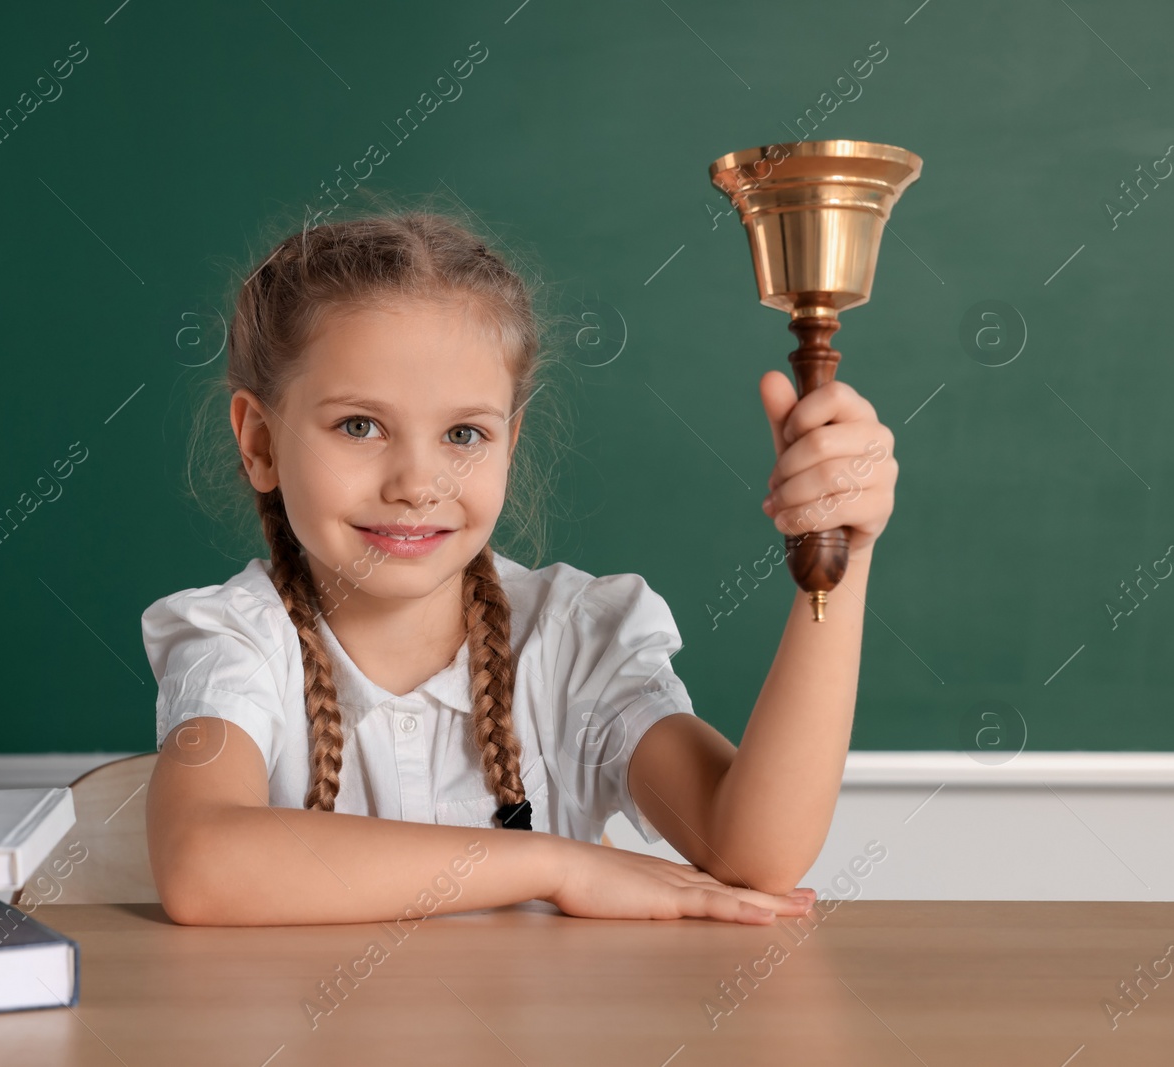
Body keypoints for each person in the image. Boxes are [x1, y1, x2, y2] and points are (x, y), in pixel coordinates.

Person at [141, 208, 897, 927]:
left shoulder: (575, 640)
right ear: (260, 441)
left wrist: (846, 551)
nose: (417, 482)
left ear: (511, 439)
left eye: (464, 433)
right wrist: (553, 865)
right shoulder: (237, 641)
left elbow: (754, 855)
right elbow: (202, 863)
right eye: (360, 425)